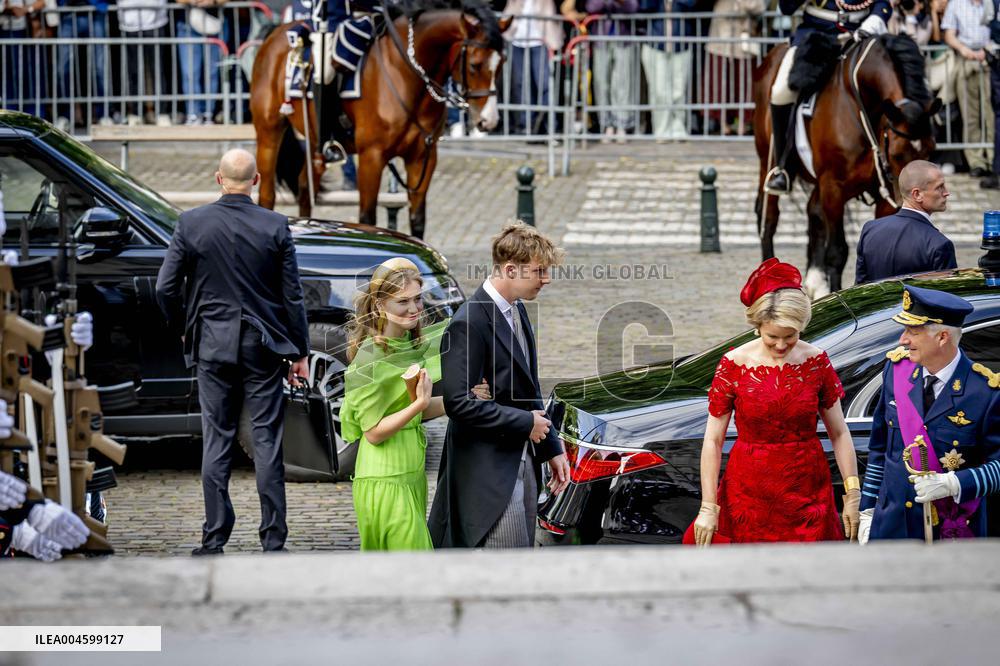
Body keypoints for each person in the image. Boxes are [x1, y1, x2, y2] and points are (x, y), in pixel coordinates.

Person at [155, 148, 310, 555]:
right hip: (262, 347)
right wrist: (299, 351)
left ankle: (214, 538)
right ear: (257, 181)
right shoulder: (275, 225)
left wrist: (186, 328)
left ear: (218, 179)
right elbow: (292, 297)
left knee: (217, 440)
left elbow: (164, 288)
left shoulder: (191, 223)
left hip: (211, 344)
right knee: (266, 442)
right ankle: (273, 541)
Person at [689, 258, 861, 546]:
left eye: (790, 337)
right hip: (749, 489)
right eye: (772, 337)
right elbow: (713, 441)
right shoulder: (734, 364)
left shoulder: (816, 361)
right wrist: (708, 506)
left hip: (807, 487)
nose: (781, 346)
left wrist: (852, 493)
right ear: (757, 327)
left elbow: (840, 433)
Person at [429, 221, 570, 548]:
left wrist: (551, 447)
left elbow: (528, 386)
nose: (546, 279)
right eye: (539, 271)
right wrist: (526, 423)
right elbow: (458, 404)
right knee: (504, 564)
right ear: (510, 269)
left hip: (522, 460)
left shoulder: (516, 310)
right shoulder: (468, 322)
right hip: (487, 473)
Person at [341, 257, 490, 550]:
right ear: (380, 305)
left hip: (411, 475)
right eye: (402, 301)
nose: (413, 308)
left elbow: (411, 413)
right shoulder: (369, 359)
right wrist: (418, 404)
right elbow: (372, 431)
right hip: (385, 477)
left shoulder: (408, 346)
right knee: (417, 567)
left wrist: (462, 398)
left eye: (417, 299)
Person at [859, 286, 1000, 542]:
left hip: (953, 532)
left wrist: (956, 484)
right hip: (892, 526)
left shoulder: (985, 392)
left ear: (942, 337)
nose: (903, 340)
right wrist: (868, 509)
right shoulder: (896, 371)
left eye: (913, 332)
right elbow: (880, 450)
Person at [765, 0, 893, 194]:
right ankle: (783, 167)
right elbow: (786, 8)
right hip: (815, 38)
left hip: (861, 36)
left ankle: (899, 159)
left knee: (895, 82)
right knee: (780, 91)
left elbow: (882, 3)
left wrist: (873, 21)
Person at [854, 160, 957, 284]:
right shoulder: (939, 244)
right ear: (917, 194)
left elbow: (859, 289)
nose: (946, 193)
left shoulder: (870, 229)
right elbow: (947, 299)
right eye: (940, 187)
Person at [942, 0, 995, 177]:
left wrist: (989, 48)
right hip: (965, 61)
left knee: (991, 114)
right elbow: (949, 35)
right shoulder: (956, 4)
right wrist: (963, 49)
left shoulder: (993, 3)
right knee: (970, 115)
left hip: (991, 61)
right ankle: (977, 162)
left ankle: (994, 159)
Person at [501, 0, 564, 136]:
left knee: (544, 84)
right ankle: (526, 124)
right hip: (517, 43)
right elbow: (507, 16)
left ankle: (547, 122)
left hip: (539, 43)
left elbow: (550, 20)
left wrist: (554, 43)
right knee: (521, 84)